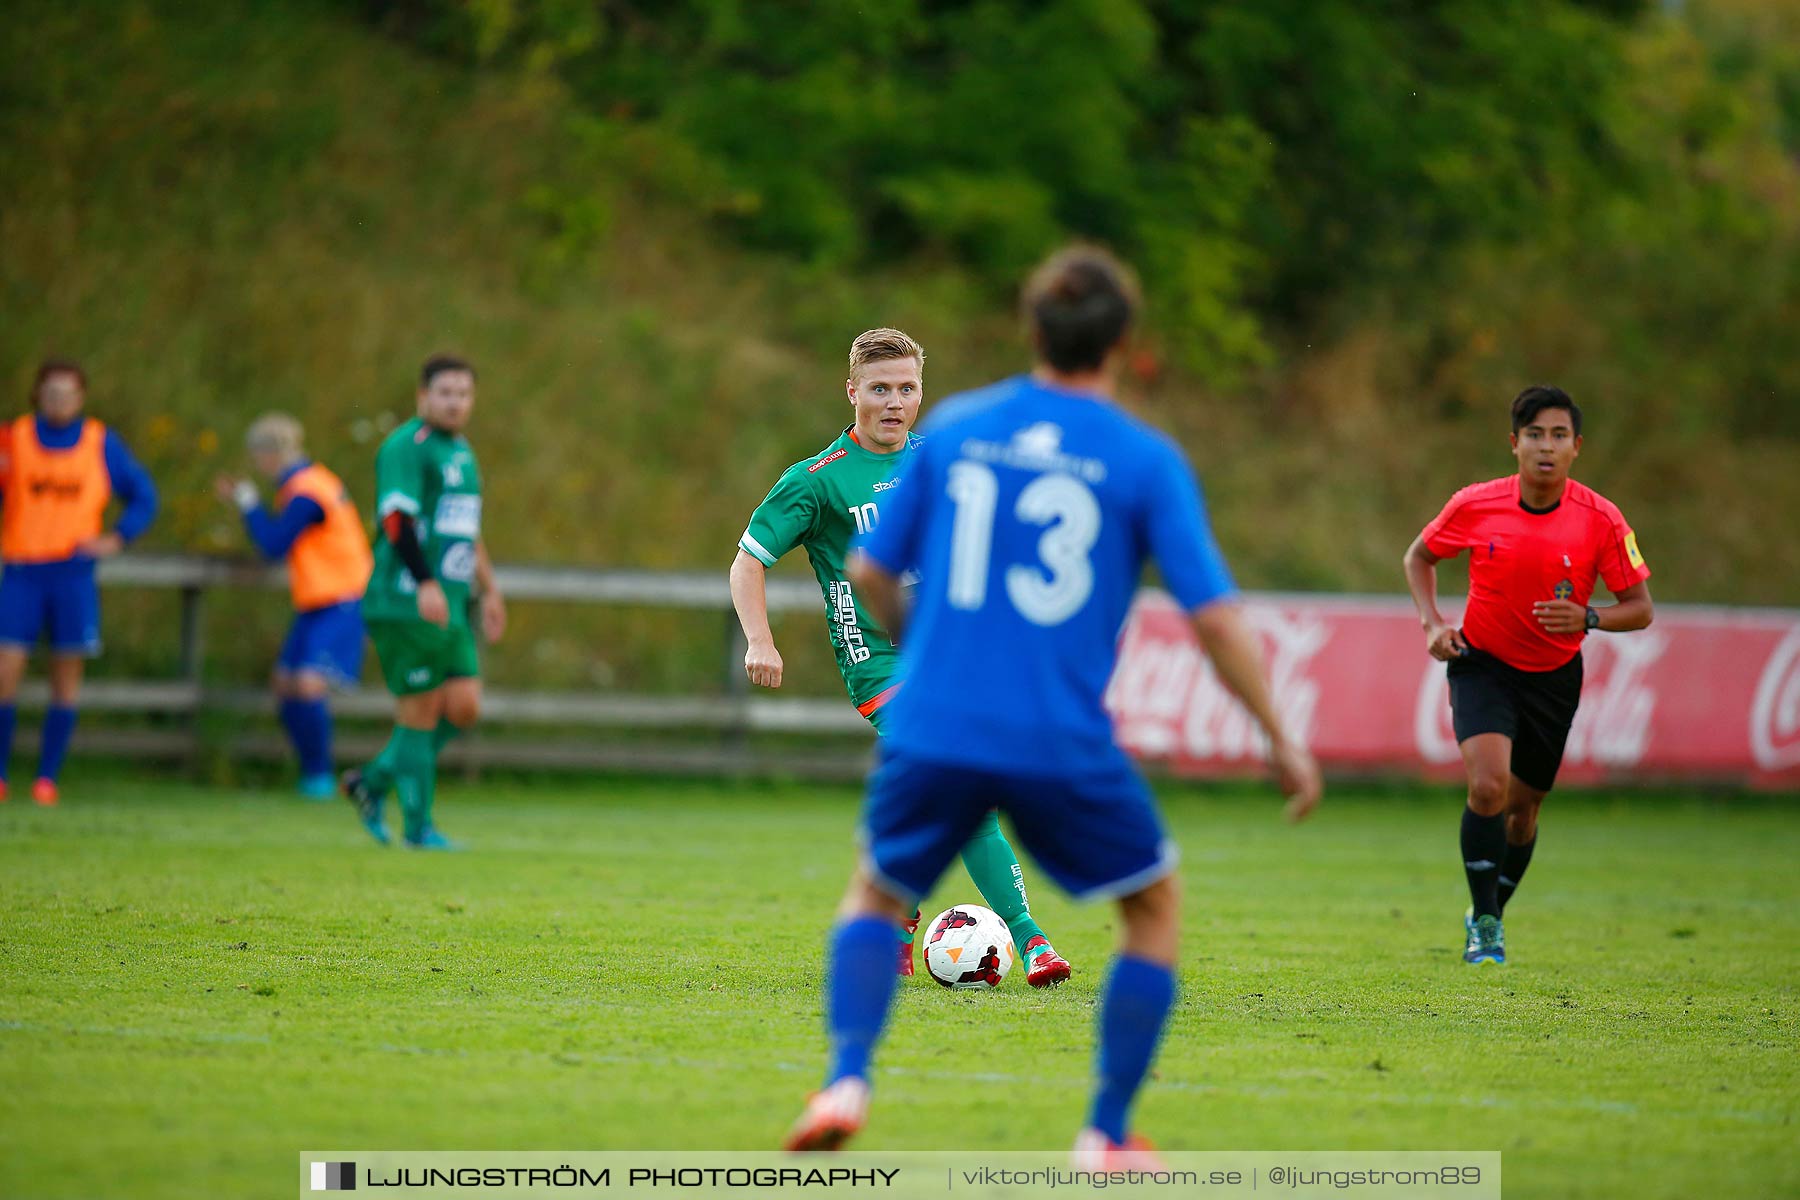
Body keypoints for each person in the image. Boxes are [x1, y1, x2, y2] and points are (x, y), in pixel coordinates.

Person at [782, 248, 1322, 1161]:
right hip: (1057, 730)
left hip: (938, 718)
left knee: (875, 893)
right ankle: (1106, 1133)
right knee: (1151, 906)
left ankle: (846, 1078)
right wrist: (1279, 734)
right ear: (1123, 344)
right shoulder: (1143, 459)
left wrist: (933, 647)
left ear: (1031, 332)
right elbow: (1216, 619)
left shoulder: (953, 428)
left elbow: (869, 570)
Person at [730, 328, 1072, 987]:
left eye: (907, 388)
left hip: (949, 656)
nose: (894, 401)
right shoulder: (814, 482)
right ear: (852, 391)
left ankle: (898, 920)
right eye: (880, 388)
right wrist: (760, 639)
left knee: (946, 791)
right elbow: (748, 563)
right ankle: (1031, 942)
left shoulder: (939, 461)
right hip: (879, 663)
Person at [1403, 385, 1653, 966]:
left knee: (1523, 811)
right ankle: (1486, 925)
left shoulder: (1603, 520)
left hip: (1553, 677)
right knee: (1488, 787)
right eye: (1535, 435)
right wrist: (1431, 624)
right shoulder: (1474, 504)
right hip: (1481, 664)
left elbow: (1640, 608)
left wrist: (1588, 615)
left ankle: (1490, 909)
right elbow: (1419, 556)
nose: (1547, 446)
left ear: (1576, 447)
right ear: (1514, 444)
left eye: (1558, 435)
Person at [341, 356, 505, 848]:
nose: (455, 402)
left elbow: (464, 528)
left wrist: (490, 588)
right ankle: (418, 828)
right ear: (422, 397)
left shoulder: (462, 450)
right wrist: (425, 581)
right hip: (406, 600)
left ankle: (371, 781)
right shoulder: (405, 447)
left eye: (464, 393)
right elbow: (396, 520)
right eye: (445, 392)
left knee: (464, 707)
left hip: (450, 604)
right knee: (420, 712)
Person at [0, 359, 158, 806]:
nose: (59, 401)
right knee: (5, 672)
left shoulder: (100, 443)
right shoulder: (14, 439)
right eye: (51, 392)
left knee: (65, 679)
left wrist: (117, 537)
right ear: (37, 394)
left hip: (72, 575)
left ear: (81, 398)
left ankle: (47, 778)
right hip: (21, 573)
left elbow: (144, 496)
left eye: (68, 393)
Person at [215, 413, 373, 799]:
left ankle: (320, 777)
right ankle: (310, 773)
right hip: (318, 598)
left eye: (258, 457)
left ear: (271, 454)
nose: (258, 466)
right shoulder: (307, 484)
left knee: (307, 682)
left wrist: (247, 502)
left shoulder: (307, 492)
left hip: (344, 596)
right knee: (285, 683)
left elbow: (272, 544)